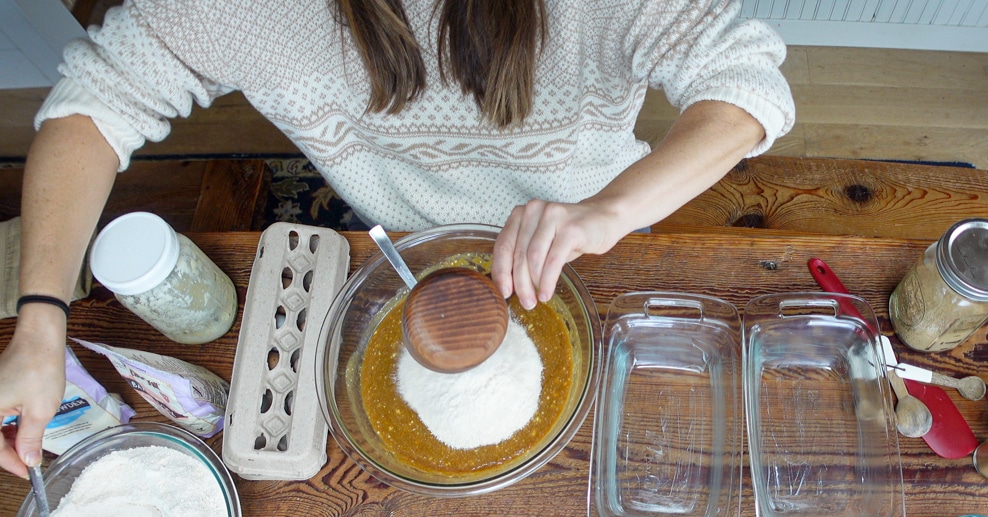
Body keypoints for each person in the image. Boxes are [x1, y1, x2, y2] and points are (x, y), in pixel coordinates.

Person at [0, 0, 794, 478]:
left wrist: (609, 212)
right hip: (398, 238)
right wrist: (39, 321)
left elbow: (747, 88)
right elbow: (93, 105)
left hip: (596, 240)